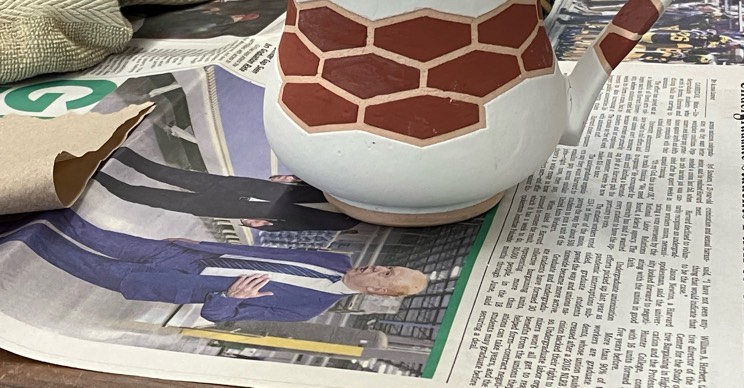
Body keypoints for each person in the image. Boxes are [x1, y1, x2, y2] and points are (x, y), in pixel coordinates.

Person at [0, 210, 427, 323]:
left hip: (170, 283)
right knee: (86, 230)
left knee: (72, 256)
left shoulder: (306, 309)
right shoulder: (335, 258)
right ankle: (23, 206)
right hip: (183, 255)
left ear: (378, 292)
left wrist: (230, 297)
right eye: (388, 265)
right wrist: (199, 243)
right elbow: (266, 256)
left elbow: (217, 317)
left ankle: (19, 234)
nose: (379, 268)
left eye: (386, 276)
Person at [96, 147, 359, 232]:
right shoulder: (350, 189)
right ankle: (118, 152)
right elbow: (312, 178)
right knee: (169, 174)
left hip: (240, 208)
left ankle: (100, 178)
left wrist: (262, 226)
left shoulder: (343, 223)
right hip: (242, 187)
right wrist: (291, 178)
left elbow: (296, 227)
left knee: (160, 199)